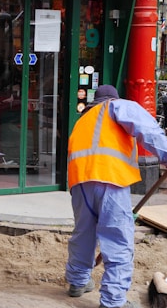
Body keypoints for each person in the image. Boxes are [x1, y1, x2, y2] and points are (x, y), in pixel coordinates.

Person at [65, 85, 167, 308]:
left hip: (80, 183)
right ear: (112, 98)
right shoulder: (117, 106)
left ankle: (78, 281)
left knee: (83, 235)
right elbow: (147, 130)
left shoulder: (83, 120)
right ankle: (113, 302)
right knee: (118, 239)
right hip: (110, 178)